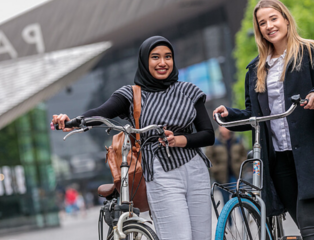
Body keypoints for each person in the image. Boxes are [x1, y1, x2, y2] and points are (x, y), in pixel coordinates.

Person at [52, 36, 214, 240]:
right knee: (178, 236)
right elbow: (101, 112)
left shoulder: (189, 91)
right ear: (145, 61)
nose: (162, 62)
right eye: (155, 57)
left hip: (196, 170)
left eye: (168, 57)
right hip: (161, 173)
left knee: (203, 237)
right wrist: (71, 121)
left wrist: (180, 140)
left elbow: (208, 134)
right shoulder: (131, 94)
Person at [213, 0, 314, 239]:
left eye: (273, 19)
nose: (269, 26)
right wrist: (230, 114)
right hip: (279, 163)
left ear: (286, 19)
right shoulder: (256, 69)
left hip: (313, 156)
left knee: (310, 227)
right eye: (262, 23)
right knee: (304, 229)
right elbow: (255, 117)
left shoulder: (312, 53)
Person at [206, 126, 246, 204]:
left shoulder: (237, 139)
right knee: (226, 200)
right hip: (221, 176)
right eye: (221, 127)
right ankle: (228, 216)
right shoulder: (215, 141)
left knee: (239, 197)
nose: (224, 129)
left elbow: (244, 154)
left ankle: (243, 216)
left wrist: (240, 165)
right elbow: (208, 156)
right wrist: (215, 168)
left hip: (235, 174)